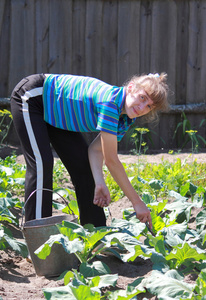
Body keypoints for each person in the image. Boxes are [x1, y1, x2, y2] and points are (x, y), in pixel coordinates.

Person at [10, 72, 169, 228]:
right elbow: (111, 160)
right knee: (42, 165)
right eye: (142, 97)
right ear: (131, 88)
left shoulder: (126, 118)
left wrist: (99, 182)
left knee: (84, 166)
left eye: (149, 106)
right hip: (33, 97)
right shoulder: (110, 103)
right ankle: (37, 242)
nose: (142, 107)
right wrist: (137, 202)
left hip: (57, 112)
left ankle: (95, 237)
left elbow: (96, 150)